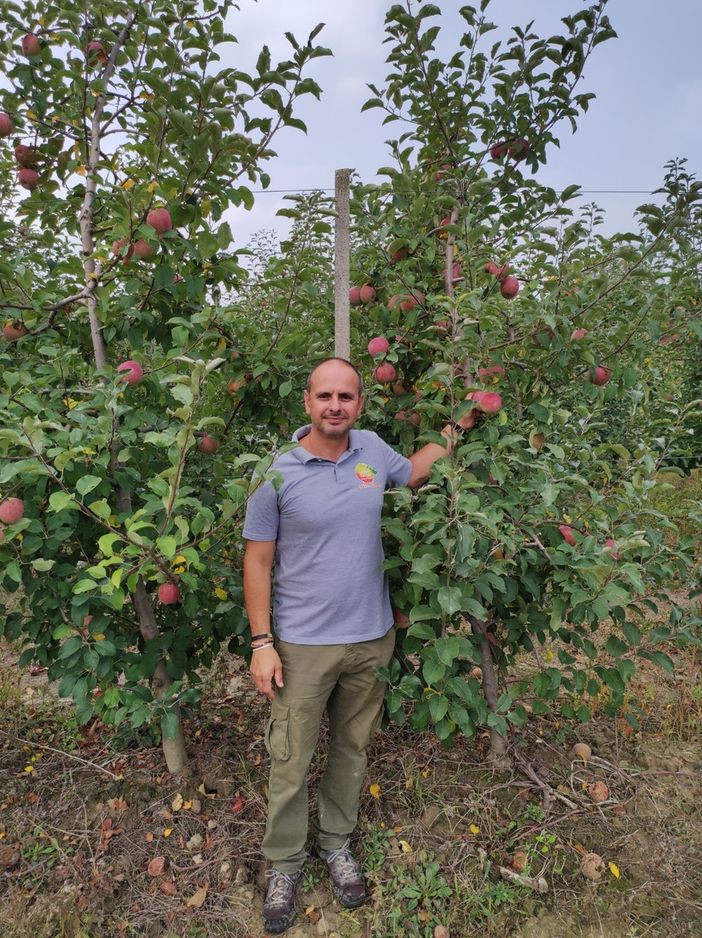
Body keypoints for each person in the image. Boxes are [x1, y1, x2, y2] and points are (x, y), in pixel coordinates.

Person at [242, 357, 473, 934]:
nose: (335, 406)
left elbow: (414, 474)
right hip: (301, 645)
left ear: (360, 404)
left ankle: (337, 843)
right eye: (325, 396)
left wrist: (459, 426)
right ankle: (286, 864)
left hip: (371, 637)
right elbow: (258, 560)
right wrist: (261, 642)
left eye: (346, 396)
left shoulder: (372, 450)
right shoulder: (278, 474)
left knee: (352, 748)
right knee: (290, 760)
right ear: (307, 402)